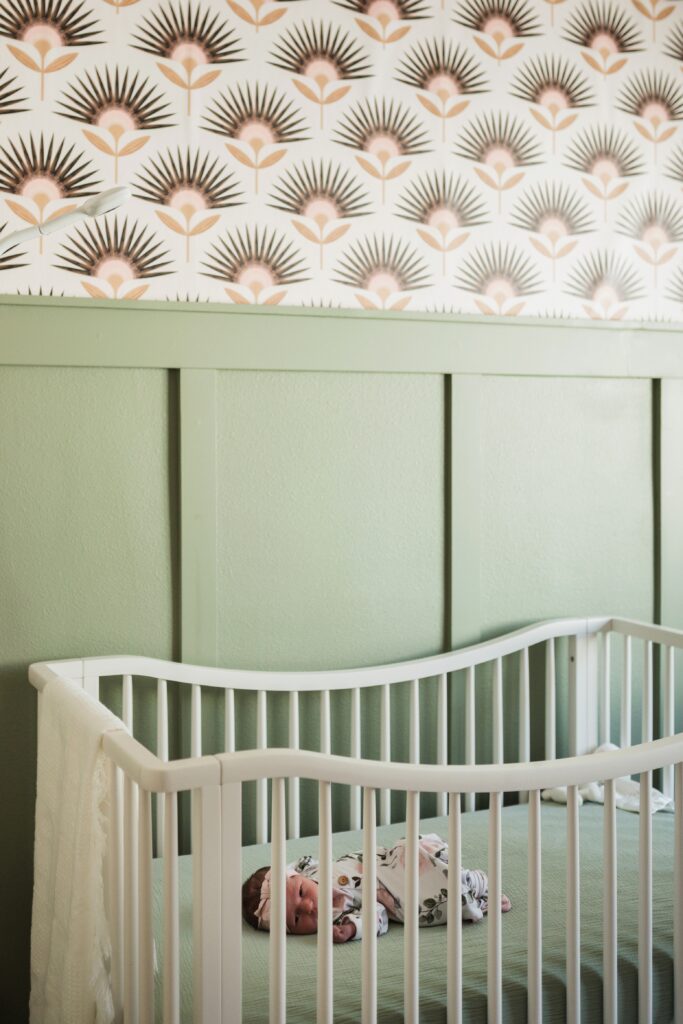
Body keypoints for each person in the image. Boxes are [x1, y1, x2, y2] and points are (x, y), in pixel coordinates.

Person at [242, 833, 511, 943]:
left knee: (414, 849)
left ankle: (464, 879)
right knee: (422, 909)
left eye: (301, 892)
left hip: (389, 861)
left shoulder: (311, 868)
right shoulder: (337, 915)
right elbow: (377, 916)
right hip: (397, 893)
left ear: (296, 875)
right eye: (297, 918)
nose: (309, 906)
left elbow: (296, 863)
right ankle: (474, 886)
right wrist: (351, 930)